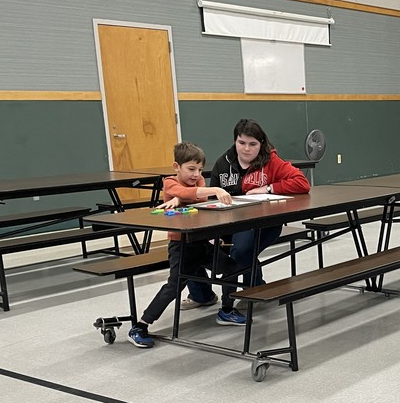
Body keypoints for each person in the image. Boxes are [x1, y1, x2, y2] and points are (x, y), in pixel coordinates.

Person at [182, 118, 311, 312]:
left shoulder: (271, 161)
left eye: (253, 144)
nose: (246, 149)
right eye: (241, 143)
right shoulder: (223, 163)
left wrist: (267, 188)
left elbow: (302, 183)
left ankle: (235, 300)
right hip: (229, 220)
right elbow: (212, 198)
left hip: (263, 222)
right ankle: (203, 294)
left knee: (241, 251)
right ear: (235, 141)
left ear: (261, 144)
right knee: (189, 244)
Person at [128, 142, 245, 348]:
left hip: (201, 243)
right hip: (181, 247)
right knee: (174, 286)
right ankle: (140, 325)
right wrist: (209, 190)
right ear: (176, 167)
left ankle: (226, 310)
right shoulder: (169, 183)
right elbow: (187, 193)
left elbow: (194, 196)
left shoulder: (198, 181)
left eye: (199, 169)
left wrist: (183, 200)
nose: (196, 174)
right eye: (191, 169)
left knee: (232, 268)